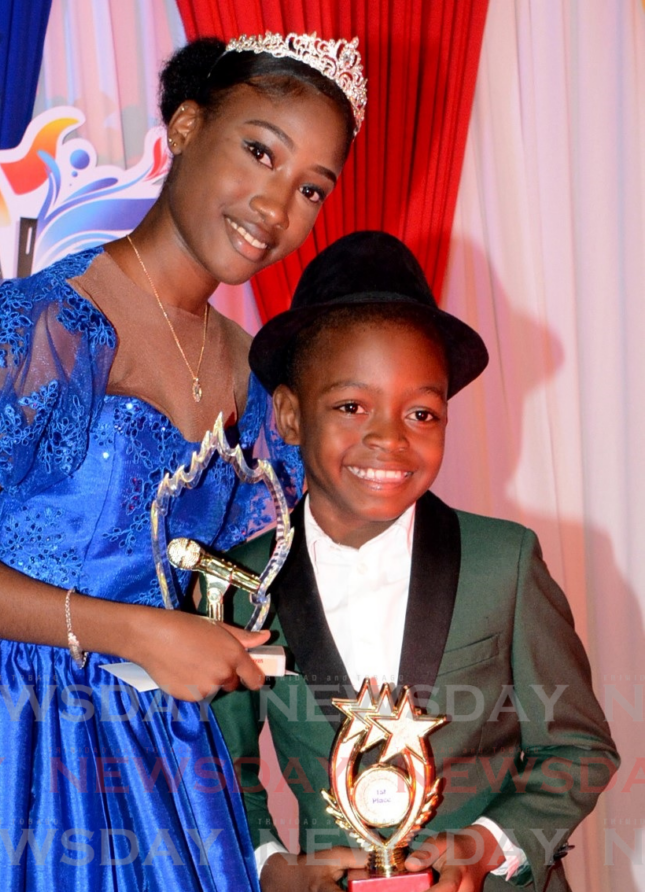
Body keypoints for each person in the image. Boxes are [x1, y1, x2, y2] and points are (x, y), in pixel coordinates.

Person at [0, 32, 367, 892]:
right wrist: (138, 631)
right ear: (185, 127)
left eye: (310, 188)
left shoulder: (255, 372)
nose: (276, 205)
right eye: (258, 151)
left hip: (151, 749)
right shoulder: (44, 329)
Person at [208, 230, 620, 891]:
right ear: (288, 415)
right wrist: (271, 865)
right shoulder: (238, 582)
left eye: (422, 412)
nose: (389, 438)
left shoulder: (504, 561)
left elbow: (579, 749)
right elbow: (217, 764)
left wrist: (491, 844)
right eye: (351, 405)